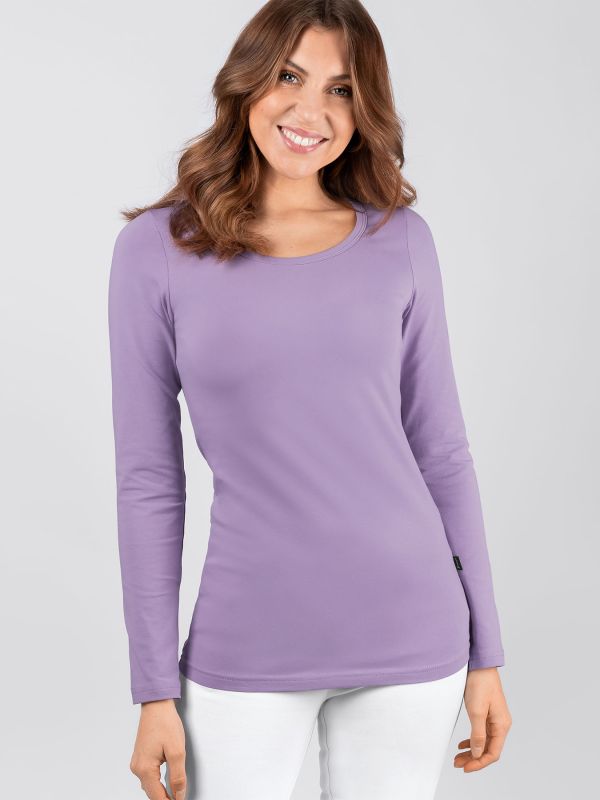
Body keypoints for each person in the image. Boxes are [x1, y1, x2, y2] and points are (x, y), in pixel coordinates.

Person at [107, 1, 512, 798]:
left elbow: (441, 451)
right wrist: (152, 687)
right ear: (246, 82)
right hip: (248, 640)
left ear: (365, 111)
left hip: (413, 632)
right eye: (290, 77)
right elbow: (149, 480)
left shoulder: (400, 239)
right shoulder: (157, 250)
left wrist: (487, 653)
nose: (311, 111)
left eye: (341, 89)